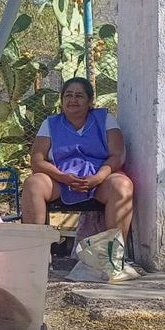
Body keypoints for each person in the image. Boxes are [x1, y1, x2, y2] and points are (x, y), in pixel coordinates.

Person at [21, 76, 133, 239]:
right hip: (60, 180)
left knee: (122, 185)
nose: (73, 99)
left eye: (79, 96)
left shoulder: (105, 120)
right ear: (62, 100)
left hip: (99, 181)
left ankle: (113, 254)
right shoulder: (50, 124)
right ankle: (37, 251)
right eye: (68, 95)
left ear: (89, 101)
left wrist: (98, 177)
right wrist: (62, 177)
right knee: (33, 184)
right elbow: (37, 161)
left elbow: (118, 155)